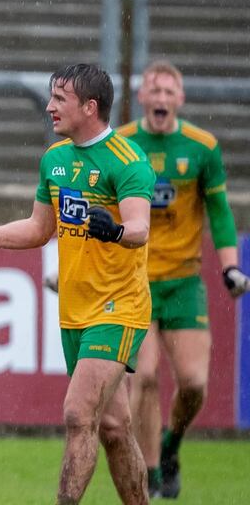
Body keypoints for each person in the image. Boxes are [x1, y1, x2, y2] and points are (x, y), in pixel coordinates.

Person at [0, 64, 154, 505]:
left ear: (90, 107)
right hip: (74, 312)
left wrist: (113, 229)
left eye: (59, 99)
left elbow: (139, 229)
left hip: (118, 308)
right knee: (115, 429)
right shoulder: (55, 160)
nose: (49, 107)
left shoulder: (128, 161)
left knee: (78, 414)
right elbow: (41, 228)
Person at [117, 61, 249, 499]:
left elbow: (220, 213)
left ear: (180, 99)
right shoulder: (122, 145)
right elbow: (104, 210)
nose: (160, 97)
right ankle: (152, 476)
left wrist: (230, 266)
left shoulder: (202, 147)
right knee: (147, 376)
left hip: (184, 282)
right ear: (141, 98)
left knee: (193, 384)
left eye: (168, 91)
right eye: (153, 90)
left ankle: (171, 445)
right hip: (136, 280)